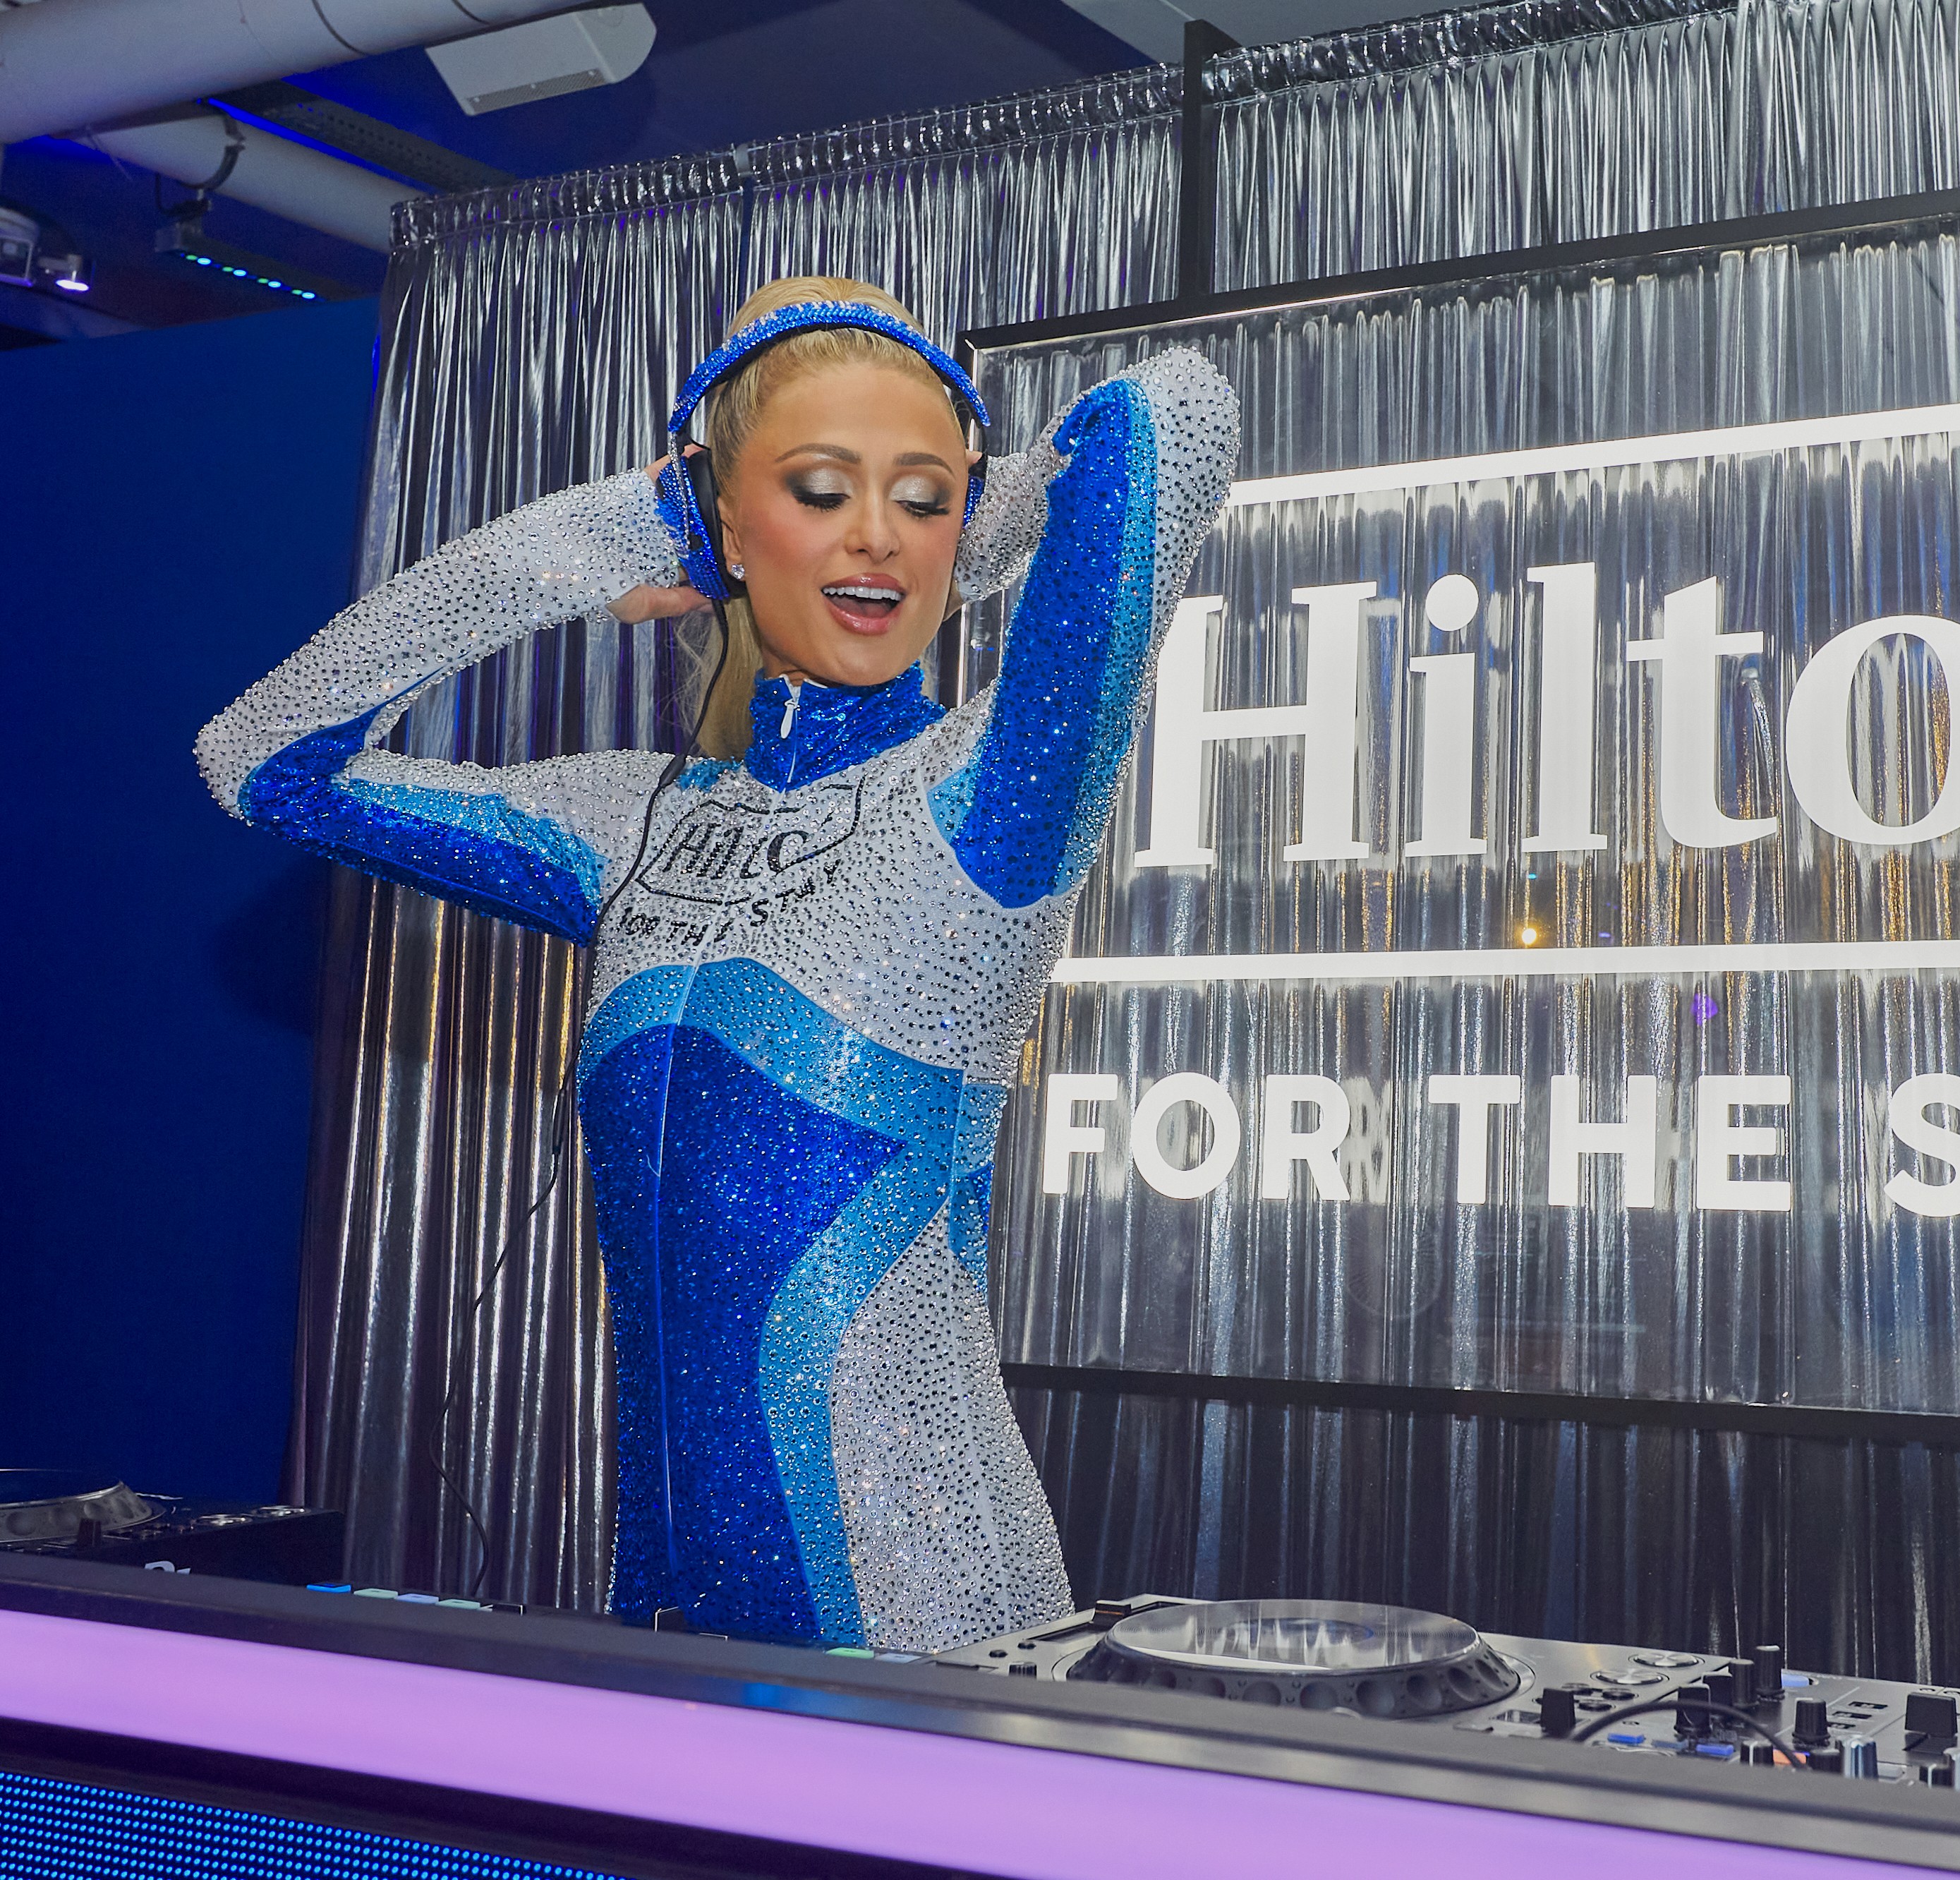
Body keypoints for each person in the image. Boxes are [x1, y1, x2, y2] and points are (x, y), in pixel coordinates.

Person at [195, 276, 1238, 1649]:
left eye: (922, 497)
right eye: (821, 488)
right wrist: (609, 537)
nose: (879, 537)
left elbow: (1176, 416)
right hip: (668, 1597)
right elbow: (263, 762)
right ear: (727, 526)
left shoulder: (988, 797)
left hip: (928, 1610)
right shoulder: (625, 820)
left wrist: (988, 529)